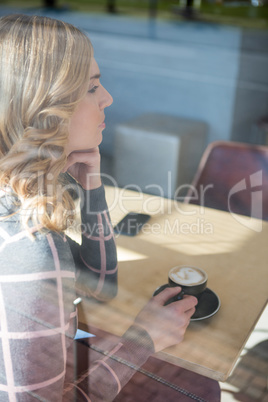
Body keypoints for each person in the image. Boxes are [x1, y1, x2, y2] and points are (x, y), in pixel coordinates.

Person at [0, 14, 197, 401]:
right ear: (43, 109)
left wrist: (90, 185)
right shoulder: (30, 249)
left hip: (68, 345)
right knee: (198, 386)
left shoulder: (16, 205)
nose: (107, 97)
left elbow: (99, 285)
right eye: (91, 88)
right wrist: (144, 339)